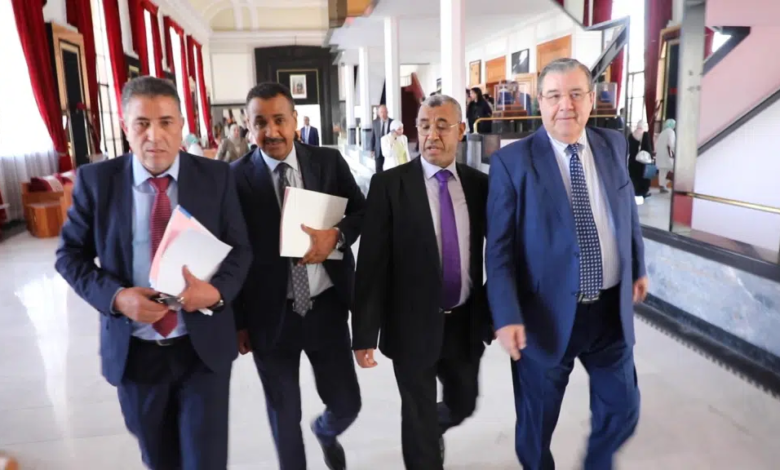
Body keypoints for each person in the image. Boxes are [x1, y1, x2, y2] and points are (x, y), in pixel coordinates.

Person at [55, 76, 252, 469]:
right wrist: (117, 298)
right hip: (136, 353)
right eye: (142, 123)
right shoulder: (97, 182)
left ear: (181, 125)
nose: (154, 136)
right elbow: (69, 256)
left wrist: (215, 292)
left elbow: (241, 250)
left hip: (201, 349)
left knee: (206, 461)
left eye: (165, 122)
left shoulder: (216, 177)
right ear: (125, 127)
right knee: (159, 459)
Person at [485, 58, 649, 470]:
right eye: (555, 95)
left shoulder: (613, 145)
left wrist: (637, 265)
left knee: (623, 408)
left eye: (576, 94)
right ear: (539, 102)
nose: (566, 105)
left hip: (609, 312)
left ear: (592, 99)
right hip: (545, 315)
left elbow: (626, 210)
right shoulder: (512, 162)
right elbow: (499, 250)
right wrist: (506, 314)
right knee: (536, 426)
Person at [230, 82, 366, 470]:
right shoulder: (234, 178)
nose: (271, 131)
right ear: (248, 125)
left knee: (346, 403)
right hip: (269, 318)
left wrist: (336, 236)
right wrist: (239, 322)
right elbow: (231, 253)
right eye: (260, 122)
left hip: (327, 308)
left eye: (279, 120)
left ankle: (326, 431)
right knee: (284, 417)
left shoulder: (328, 162)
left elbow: (362, 211)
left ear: (295, 120)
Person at [352, 94, 492, 470]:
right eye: (425, 125)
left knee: (463, 402)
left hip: (464, 322)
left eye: (442, 125)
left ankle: (434, 427)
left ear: (461, 131)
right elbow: (371, 265)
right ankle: (425, 441)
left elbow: (501, 251)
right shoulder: (389, 186)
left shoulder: (479, 185)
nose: (432, 134)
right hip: (410, 324)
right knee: (417, 418)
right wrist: (364, 333)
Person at [628, 121, 653, 198]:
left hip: (632, 160)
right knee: (643, 177)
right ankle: (643, 192)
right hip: (642, 162)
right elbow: (648, 148)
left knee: (633, 177)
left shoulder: (631, 135)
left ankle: (634, 191)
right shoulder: (645, 135)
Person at [655, 119, 676, 193]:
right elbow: (671, 144)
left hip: (660, 155)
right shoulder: (671, 132)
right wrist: (675, 152)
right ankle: (668, 185)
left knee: (662, 171)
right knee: (674, 170)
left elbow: (656, 145)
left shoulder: (662, 132)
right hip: (667, 156)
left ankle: (662, 186)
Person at [371, 104, 393, 173]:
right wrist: (372, 149)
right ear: (378, 113)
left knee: (389, 170)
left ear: (387, 112)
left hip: (389, 150)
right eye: (381, 112)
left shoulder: (392, 122)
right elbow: (373, 136)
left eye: (384, 112)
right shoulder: (375, 123)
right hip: (378, 150)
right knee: (378, 169)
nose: (383, 114)